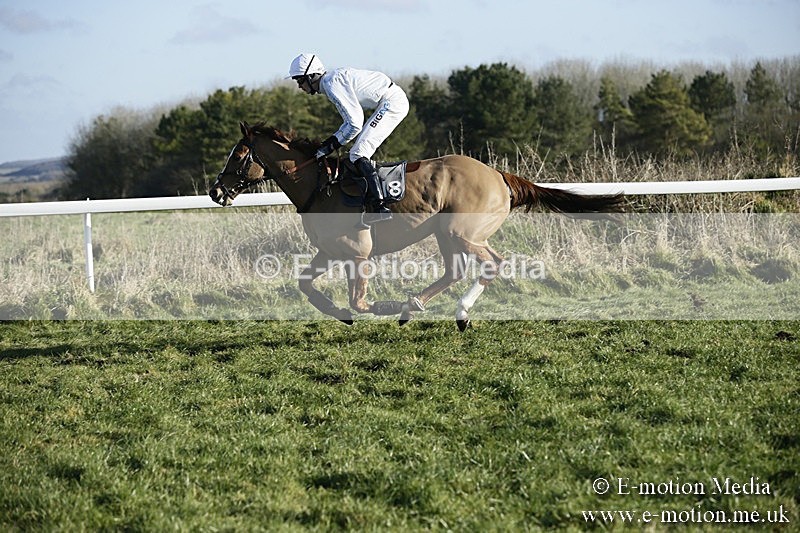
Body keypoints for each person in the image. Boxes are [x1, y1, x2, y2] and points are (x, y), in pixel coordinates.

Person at [288, 53, 409, 224]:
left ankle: (380, 206)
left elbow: (355, 124)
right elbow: (350, 123)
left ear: (312, 76)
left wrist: (330, 145)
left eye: (300, 80)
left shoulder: (331, 84)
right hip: (388, 100)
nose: (300, 86)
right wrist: (330, 143)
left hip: (392, 102)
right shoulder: (330, 82)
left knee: (358, 154)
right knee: (355, 154)